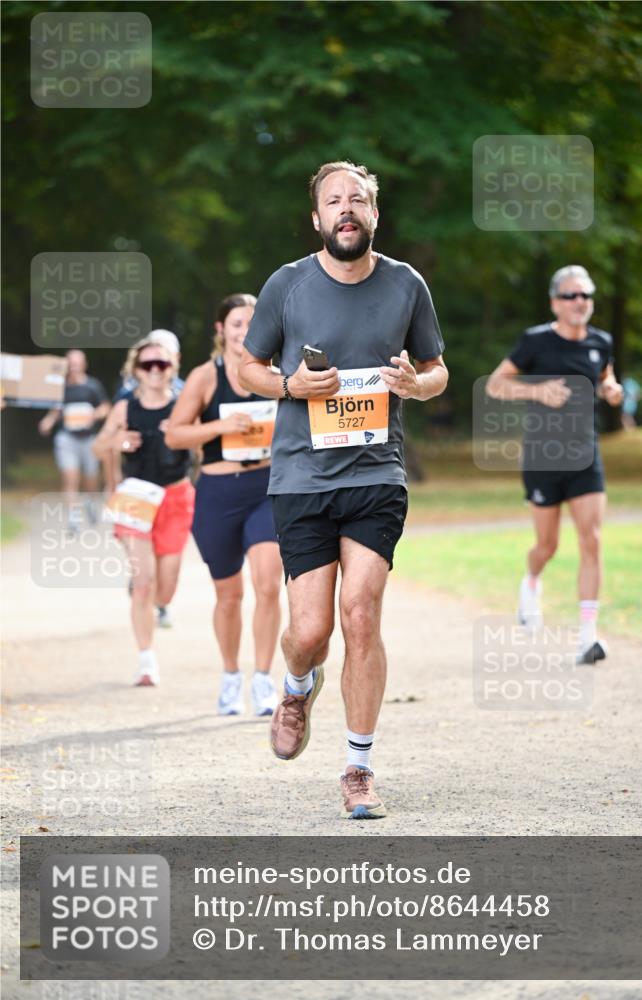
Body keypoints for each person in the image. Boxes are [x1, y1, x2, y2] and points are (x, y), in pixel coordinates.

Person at [239, 160, 448, 819]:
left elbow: (438, 368)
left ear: (374, 215)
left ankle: (357, 767)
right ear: (317, 218)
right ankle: (297, 685)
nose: (346, 210)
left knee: (360, 610)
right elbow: (246, 366)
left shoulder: (405, 284)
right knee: (309, 629)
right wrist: (289, 387)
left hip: (375, 474)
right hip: (300, 478)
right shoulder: (287, 285)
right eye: (334, 202)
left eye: (357, 200)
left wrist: (418, 384)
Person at [486, 264, 624, 664]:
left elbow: (605, 378)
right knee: (547, 545)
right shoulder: (535, 342)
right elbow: (496, 385)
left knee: (592, 541)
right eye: (570, 295)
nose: (579, 302)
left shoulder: (601, 341)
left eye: (586, 295)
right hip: (543, 457)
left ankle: (587, 637)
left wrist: (610, 389)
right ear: (555, 302)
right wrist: (539, 389)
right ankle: (530, 582)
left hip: (586, 456)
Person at [165, 294, 283, 718]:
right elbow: (175, 435)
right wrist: (220, 426)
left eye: (252, 323)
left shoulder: (278, 372)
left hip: (266, 488)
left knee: (268, 582)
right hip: (217, 495)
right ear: (221, 330)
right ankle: (231, 675)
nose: (244, 331)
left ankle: (265, 679)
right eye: (236, 323)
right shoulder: (204, 376)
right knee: (228, 594)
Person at [93, 338, 195, 686]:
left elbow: (205, 447)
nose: (154, 371)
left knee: (164, 590)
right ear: (136, 370)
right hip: (136, 497)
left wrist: (183, 436)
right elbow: (98, 445)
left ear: (172, 368)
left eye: (161, 364)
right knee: (144, 584)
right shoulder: (124, 408)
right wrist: (117, 443)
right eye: (147, 365)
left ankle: (156, 601)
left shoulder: (185, 404)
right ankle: (146, 660)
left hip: (175, 496)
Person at [38, 349, 110, 532]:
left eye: (78, 364)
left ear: (84, 365)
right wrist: (47, 422)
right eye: (71, 364)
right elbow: (55, 410)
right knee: (70, 478)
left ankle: (90, 502)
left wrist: (94, 415)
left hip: (88, 439)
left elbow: (105, 407)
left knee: (91, 480)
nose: (75, 367)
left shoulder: (93, 386)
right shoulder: (60, 387)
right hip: (67, 438)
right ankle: (74, 519)